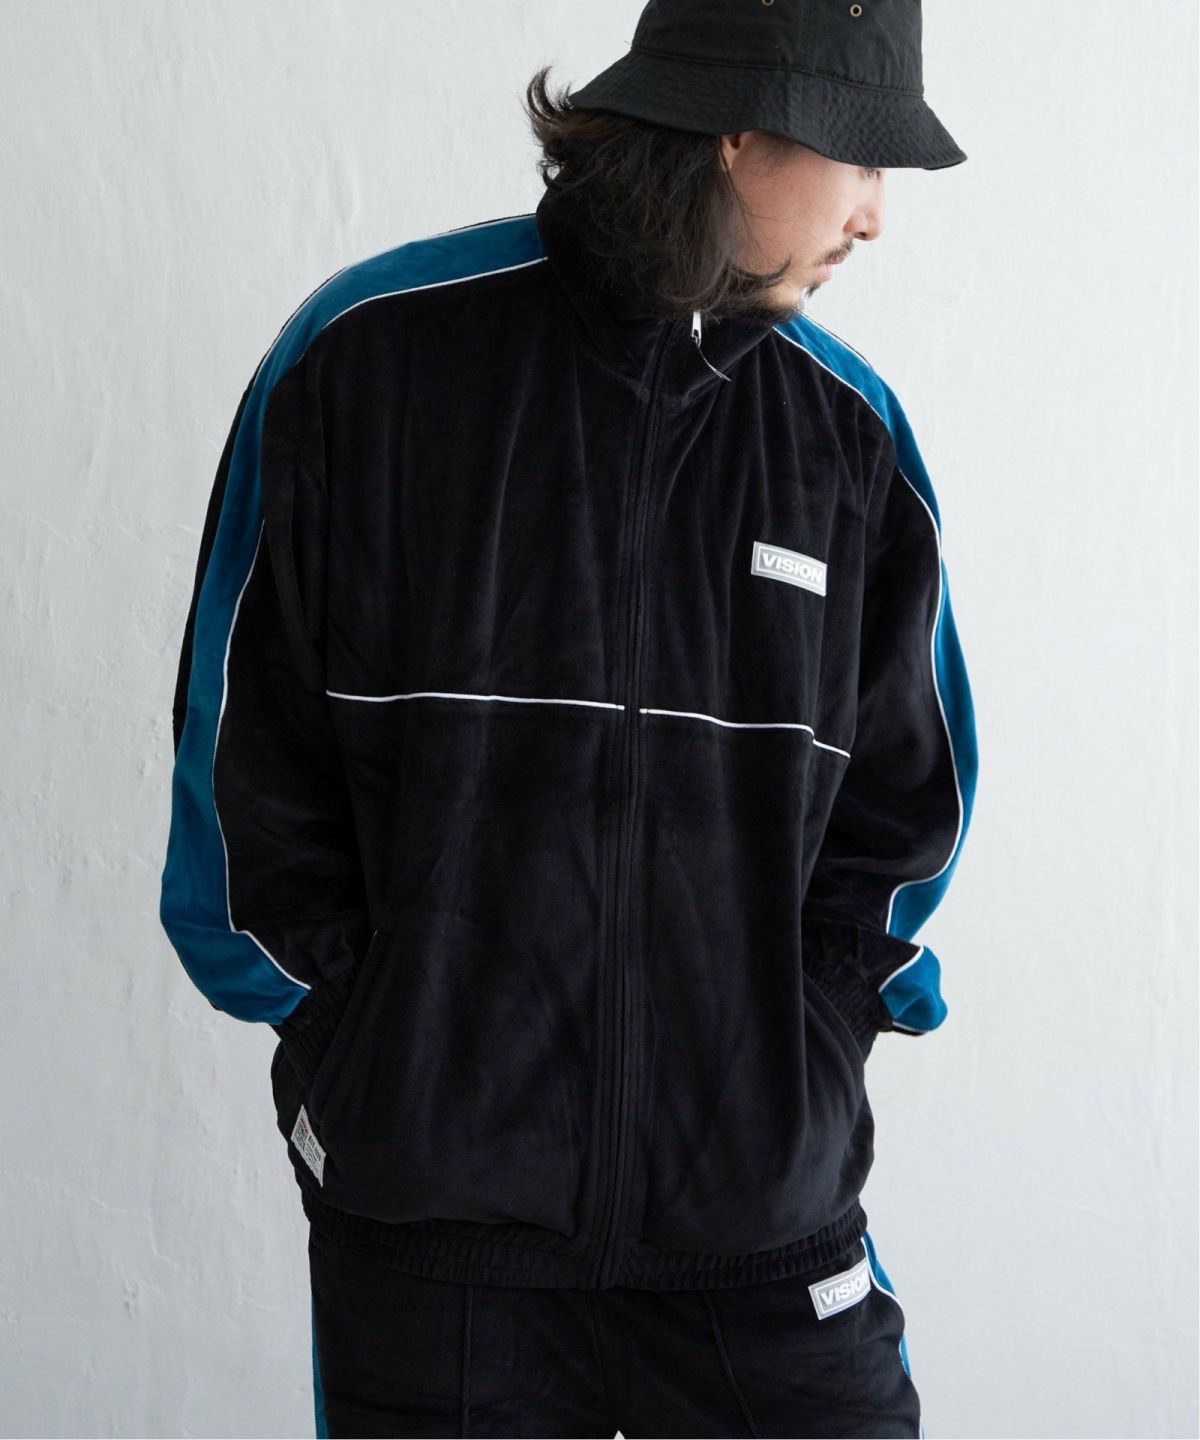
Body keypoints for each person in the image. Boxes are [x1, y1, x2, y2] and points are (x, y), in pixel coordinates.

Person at [159, 1, 979, 1434]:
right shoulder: (368, 361)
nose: (875, 216)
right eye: (861, 159)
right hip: (440, 1246)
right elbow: (242, 765)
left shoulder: (847, 438)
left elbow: (909, 812)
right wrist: (371, 1058)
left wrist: (805, 1063)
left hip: (756, 1235)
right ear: (737, 130)